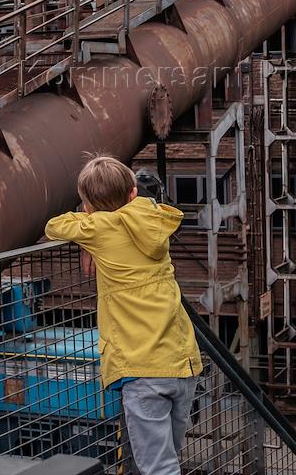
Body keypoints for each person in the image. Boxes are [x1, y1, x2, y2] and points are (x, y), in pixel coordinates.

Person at [45, 155, 202, 475]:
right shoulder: (153, 215)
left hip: (142, 367)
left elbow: (54, 226)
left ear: (88, 205)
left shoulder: (98, 227)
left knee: (158, 468)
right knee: (169, 457)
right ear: (133, 193)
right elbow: (135, 208)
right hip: (182, 361)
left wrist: (86, 227)